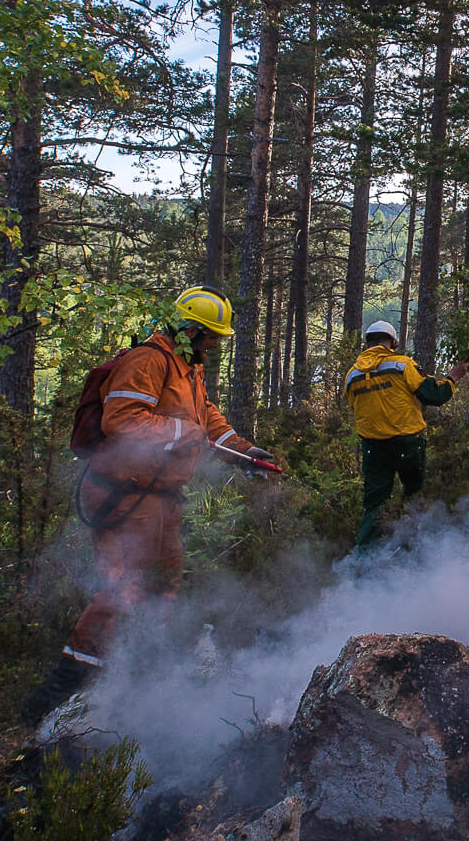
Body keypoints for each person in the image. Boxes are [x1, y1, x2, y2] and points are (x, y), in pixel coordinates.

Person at [21, 286, 279, 726]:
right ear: (192, 330)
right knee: (122, 591)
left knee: (163, 584)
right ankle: (59, 692)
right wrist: (182, 433)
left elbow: (207, 422)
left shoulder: (186, 368)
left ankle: (140, 669)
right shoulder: (149, 360)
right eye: (213, 337)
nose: (216, 346)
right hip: (124, 495)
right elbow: (121, 421)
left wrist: (247, 452)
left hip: (159, 497)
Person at [344, 320, 464, 546]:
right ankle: (414, 549)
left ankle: (363, 563)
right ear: (391, 342)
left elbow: (356, 408)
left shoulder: (351, 376)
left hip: (373, 449)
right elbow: (433, 395)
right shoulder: (402, 365)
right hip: (408, 444)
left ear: (368, 343)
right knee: (415, 496)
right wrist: (453, 377)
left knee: (374, 505)